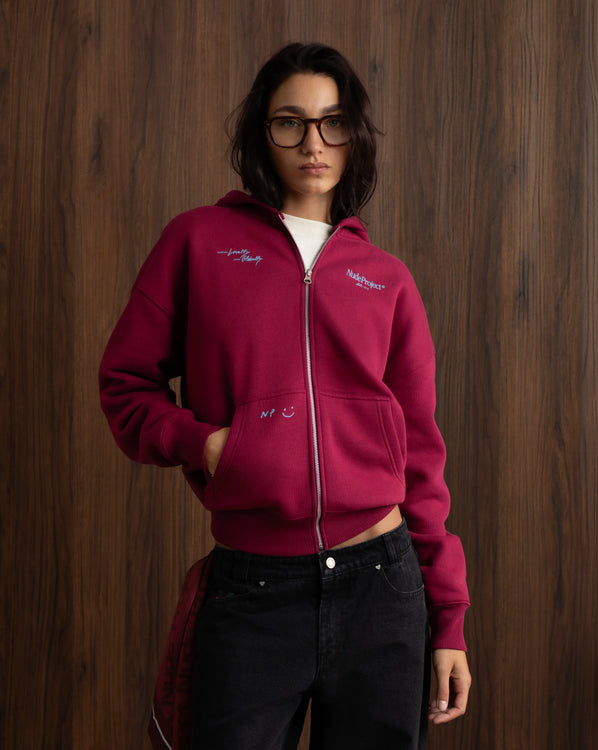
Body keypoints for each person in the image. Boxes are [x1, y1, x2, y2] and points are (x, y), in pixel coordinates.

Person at [99, 42, 471, 750]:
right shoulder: (199, 242)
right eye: (290, 122)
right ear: (262, 133)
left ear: (354, 135)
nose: (313, 143)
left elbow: (422, 457)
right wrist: (208, 445)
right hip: (254, 591)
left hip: (383, 588)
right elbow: (124, 384)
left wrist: (448, 618)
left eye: (333, 122)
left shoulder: (386, 278)